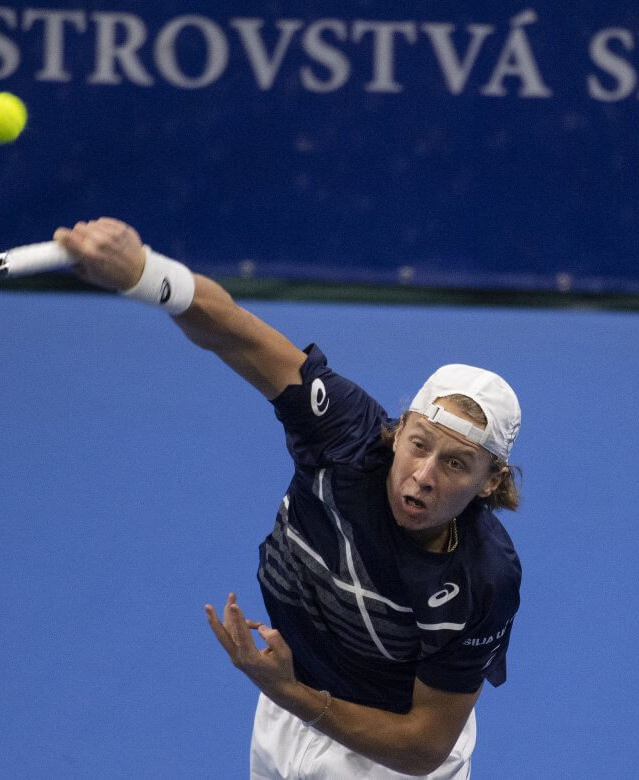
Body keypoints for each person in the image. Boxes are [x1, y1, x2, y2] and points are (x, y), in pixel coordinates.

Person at [53, 218, 523, 779]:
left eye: (455, 464)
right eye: (418, 445)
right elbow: (236, 332)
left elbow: (423, 748)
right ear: (398, 430)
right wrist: (142, 273)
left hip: (386, 755)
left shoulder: (483, 578)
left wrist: (291, 692)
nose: (422, 476)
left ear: (489, 481)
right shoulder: (344, 435)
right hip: (286, 713)